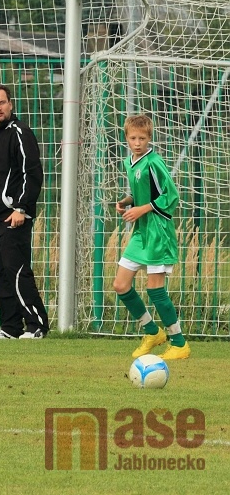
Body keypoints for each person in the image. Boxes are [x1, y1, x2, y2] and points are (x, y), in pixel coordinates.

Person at [113, 114, 190, 360]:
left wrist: (142, 209)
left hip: (158, 231)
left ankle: (179, 343)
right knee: (120, 285)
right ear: (126, 138)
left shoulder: (154, 162)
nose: (137, 143)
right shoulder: (129, 162)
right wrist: (128, 201)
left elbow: (171, 195)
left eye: (142, 139)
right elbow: (145, 193)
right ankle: (152, 332)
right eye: (133, 138)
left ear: (149, 138)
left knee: (155, 289)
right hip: (141, 232)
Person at [0, 84, 49, 340]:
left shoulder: (20, 132)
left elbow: (32, 172)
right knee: (0, 274)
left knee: (16, 270)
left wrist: (22, 207)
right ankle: (10, 327)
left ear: (10, 104)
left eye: (2, 102)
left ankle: (37, 324)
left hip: (13, 215)